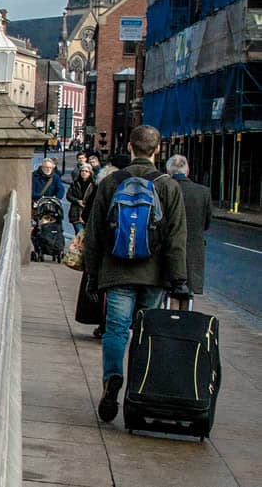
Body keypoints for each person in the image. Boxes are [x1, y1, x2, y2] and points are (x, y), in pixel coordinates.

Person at [84, 124, 189, 424]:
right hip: (154, 275)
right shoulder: (168, 186)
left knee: (116, 331)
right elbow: (176, 239)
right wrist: (178, 280)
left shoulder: (111, 182)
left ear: (129, 147)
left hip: (117, 271)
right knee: (146, 334)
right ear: (157, 150)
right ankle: (139, 390)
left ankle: (112, 379)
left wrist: (93, 274)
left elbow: (94, 234)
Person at [167, 154, 210, 303]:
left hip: (168, 250)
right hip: (192, 252)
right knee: (187, 294)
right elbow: (206, 223)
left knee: (168, 294)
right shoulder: (203, 192)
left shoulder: (163, 187)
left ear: (168, 171)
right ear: (188, 170)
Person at [66, 163, 95, 234]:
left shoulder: (94, 184)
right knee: (79, 233)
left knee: (86, 235)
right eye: (82, 171)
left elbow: (96, 198)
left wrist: (87, 203)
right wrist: (77, 201)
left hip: (88, 213)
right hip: (76, 212)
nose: (84, 173)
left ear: (90, 173)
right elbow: (69, 195)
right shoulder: (75, 183)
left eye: (86, 171)